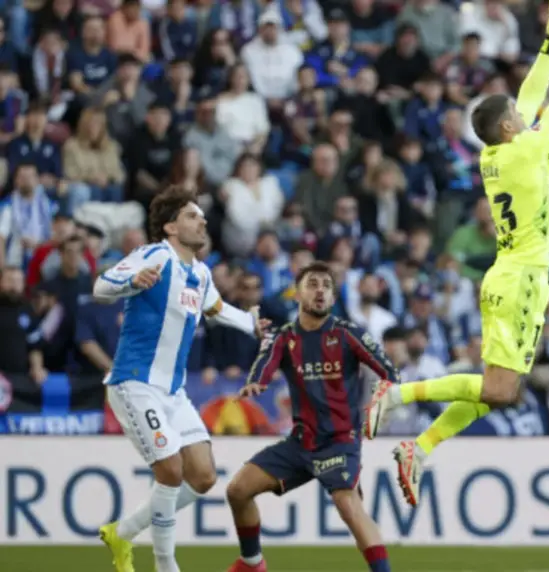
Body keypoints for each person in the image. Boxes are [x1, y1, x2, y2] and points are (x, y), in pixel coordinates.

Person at [362, 0, 549, 506]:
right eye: (515, 116)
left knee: (495, 390)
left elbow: (530, 95)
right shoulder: (527, 149)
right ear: (510, 127)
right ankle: (397, 395)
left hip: (509, 275)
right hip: (522, 279)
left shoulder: (497, 152)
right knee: (501, 391)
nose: (522, 115)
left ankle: (419, 447)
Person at [96, 187, 266, 572]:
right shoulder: (155, 254)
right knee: (170, 470)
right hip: (134, 382)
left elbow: (218, 310)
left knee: (204, 476)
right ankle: (165, 565)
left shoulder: (201, 273)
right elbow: (101, 286)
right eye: (192, 215)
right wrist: (131, 281)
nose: (202, 220)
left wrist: (251, 324)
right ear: (170, 226)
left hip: (173, 392)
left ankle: (123, 532)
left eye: (202, 216)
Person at [225, 262, 399, 572]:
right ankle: (252, 563)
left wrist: (383, 400)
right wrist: (256, 382)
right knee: (237, 490)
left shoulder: (348, 334)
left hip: (340, 441)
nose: (320, 290)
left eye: (326, 286)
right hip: (300, 442)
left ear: (333, 298)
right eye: (313, 284)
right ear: (297, 294)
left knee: (348, 506)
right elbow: (265, 363)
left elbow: (390, 373)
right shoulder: (284, 337)